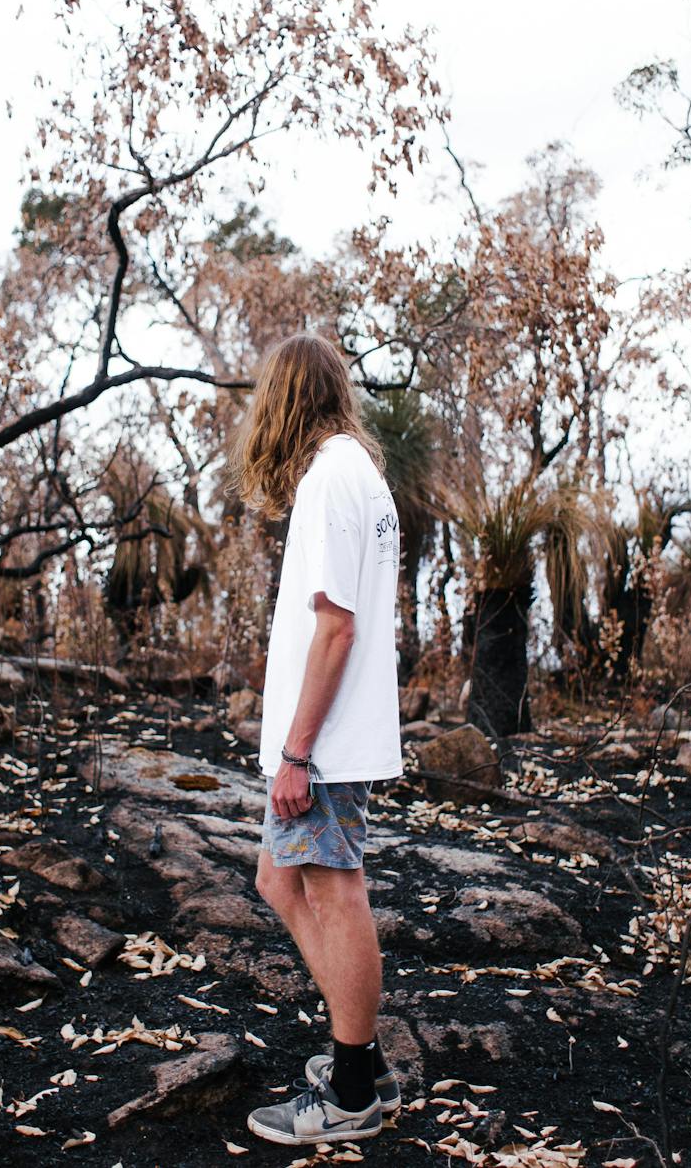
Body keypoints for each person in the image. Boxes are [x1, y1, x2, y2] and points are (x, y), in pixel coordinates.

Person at [230, 333, 405, 1146]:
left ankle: (350, 1091)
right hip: (321, 739)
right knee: (277, 878)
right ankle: (360, 1059)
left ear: (286, 399)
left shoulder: (332, 478)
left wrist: (298, 751)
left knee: (335, 889)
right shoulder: (355, 474)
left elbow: (336, 628)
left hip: (324, 744)